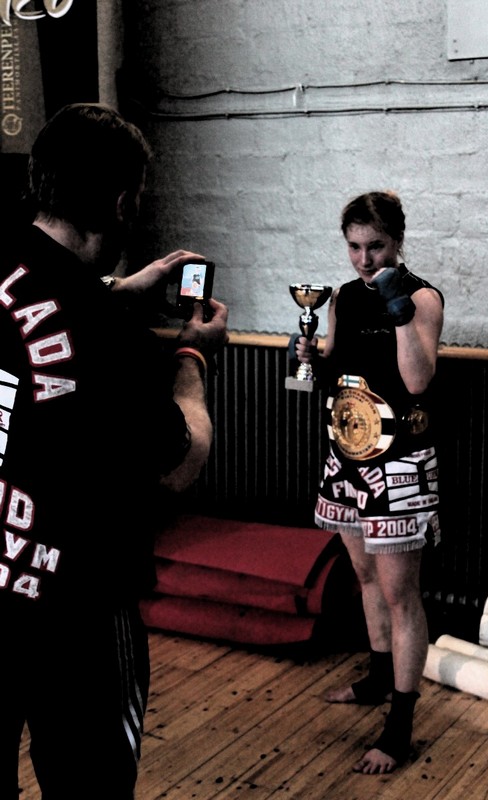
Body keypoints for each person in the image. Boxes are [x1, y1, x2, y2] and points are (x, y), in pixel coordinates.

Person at [0, 103, 229, 799]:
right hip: (78, 612)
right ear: (124, 202)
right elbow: (180, 462)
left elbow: (38, 308)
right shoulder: (111, 341)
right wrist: (193, 358)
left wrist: (118, 290)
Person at [294, 190, 444, 775]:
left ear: (397, 241)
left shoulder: (422, 297)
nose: (363, 259)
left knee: (401, 594)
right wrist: (310, 355)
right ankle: (379, 678)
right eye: (354, 246)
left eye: (375, 246)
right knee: (364, 577)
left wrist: (398, 309)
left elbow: (417, 379)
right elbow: (335, 362)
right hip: (347, 456)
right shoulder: (343, 297)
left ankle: (400, 728)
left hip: (399, 463)